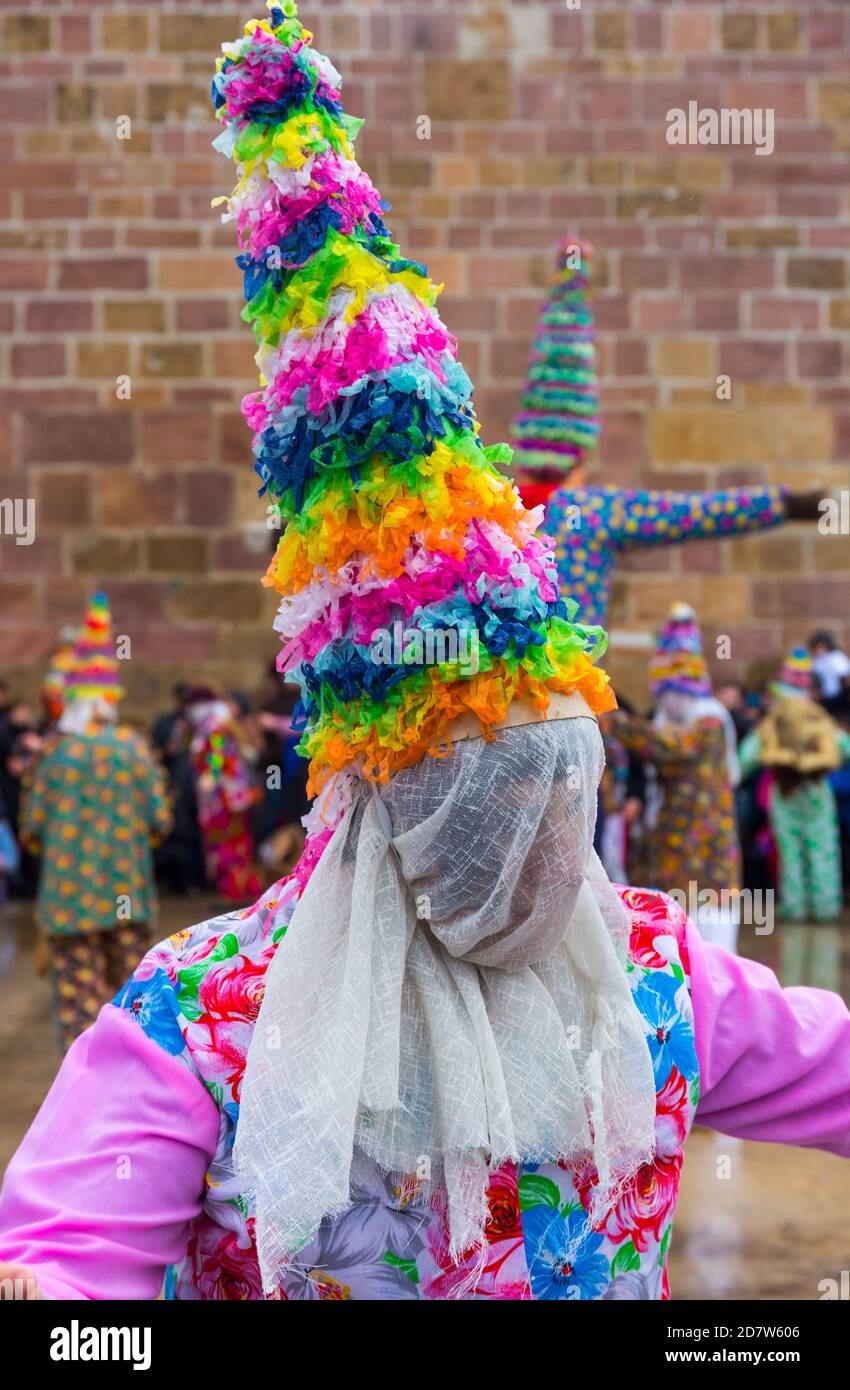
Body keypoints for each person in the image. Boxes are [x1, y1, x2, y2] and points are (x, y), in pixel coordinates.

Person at [2, 3, 850, 1304]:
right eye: (519, 793)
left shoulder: (206, 1009)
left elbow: (64, 1265)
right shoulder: (649, 970)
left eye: (553, 791)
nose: (540, 833)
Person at [512, 240, 826, 629]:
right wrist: (787, 504)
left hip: (490, 684)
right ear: (579, 463)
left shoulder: (492, 517)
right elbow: (697, 513)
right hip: (567, 680)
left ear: (522, 461)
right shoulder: (593, 511)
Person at [17, 593, 171, 1052]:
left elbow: (32, 829)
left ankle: (84, 1089)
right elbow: (160, 821)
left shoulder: (52, 755)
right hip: (127, 894)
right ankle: (132, 1085)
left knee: (79, 1006)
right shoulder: (134, 749)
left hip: (69, 902)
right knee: (131, 1004)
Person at [606, 603, 742, 951]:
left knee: (711, 937)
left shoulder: (709, 722)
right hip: (673, 849)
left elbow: (672, 747)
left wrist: (616, 722)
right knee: (675, 933)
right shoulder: (675, 720)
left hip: (705, 850)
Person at [739, 649, 850, 925]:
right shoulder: (809, 718)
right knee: (815, 849)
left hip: (800, 792)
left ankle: (804, 904)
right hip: (800, 793)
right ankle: (818, 905)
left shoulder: (787, 720)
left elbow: (747, 757)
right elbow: (843, 747)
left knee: (803, 850)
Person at [184, 684, 262, 904]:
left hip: (223, 798)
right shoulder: (221, 722)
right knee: (238, 842)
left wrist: (211, 774)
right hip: (233, 796)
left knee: (226, 843)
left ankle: (233, 891)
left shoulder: (213, 726)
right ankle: (243, 888)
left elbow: (217, 754)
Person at [809, 630, 850, 716]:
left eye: (822, 647)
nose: (820, 651)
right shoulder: (816, 660)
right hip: (824, 697)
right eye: (817, 648)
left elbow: (845, 677)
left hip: (839, 696)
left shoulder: (836, 657)